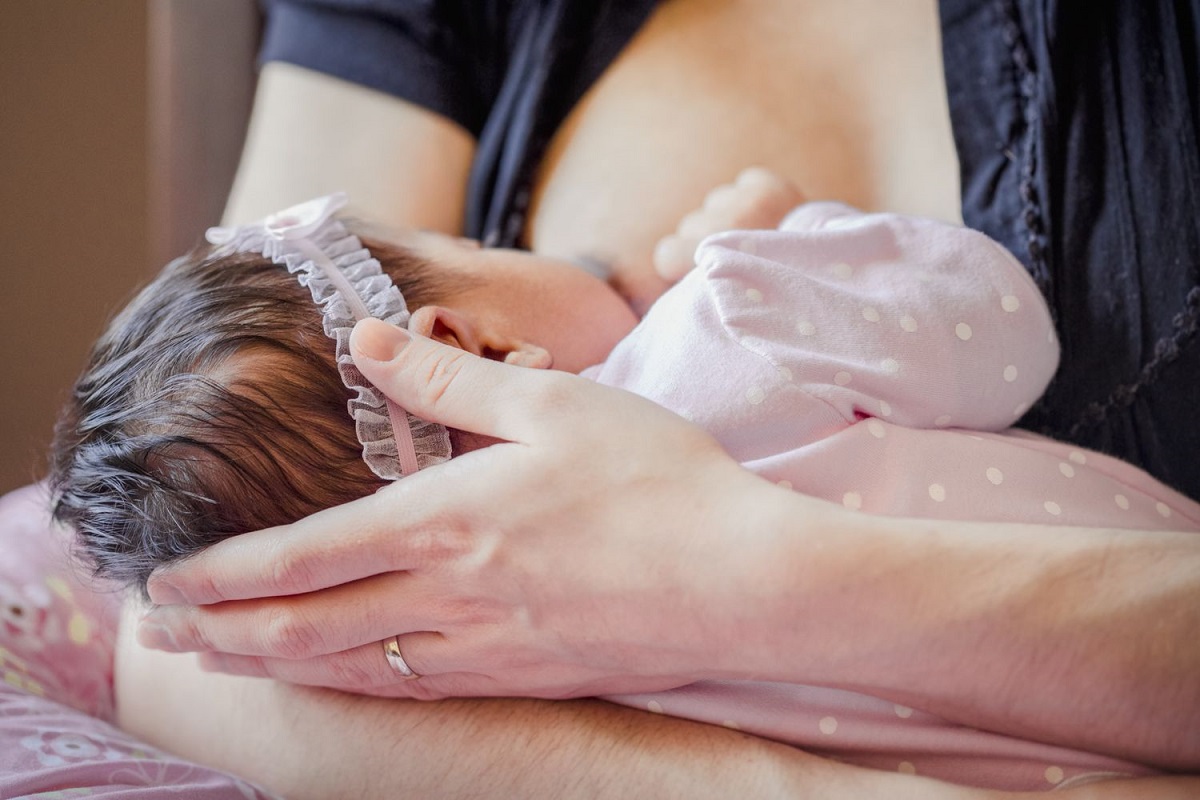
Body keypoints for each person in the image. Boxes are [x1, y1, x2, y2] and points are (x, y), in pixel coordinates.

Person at [121, 0, 1199, 794]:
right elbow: (187, 602)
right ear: (466, 345)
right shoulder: (727, 318)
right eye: (482, 243)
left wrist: (729, 577)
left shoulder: (511, 642)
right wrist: (794, 243)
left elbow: (209, 598)